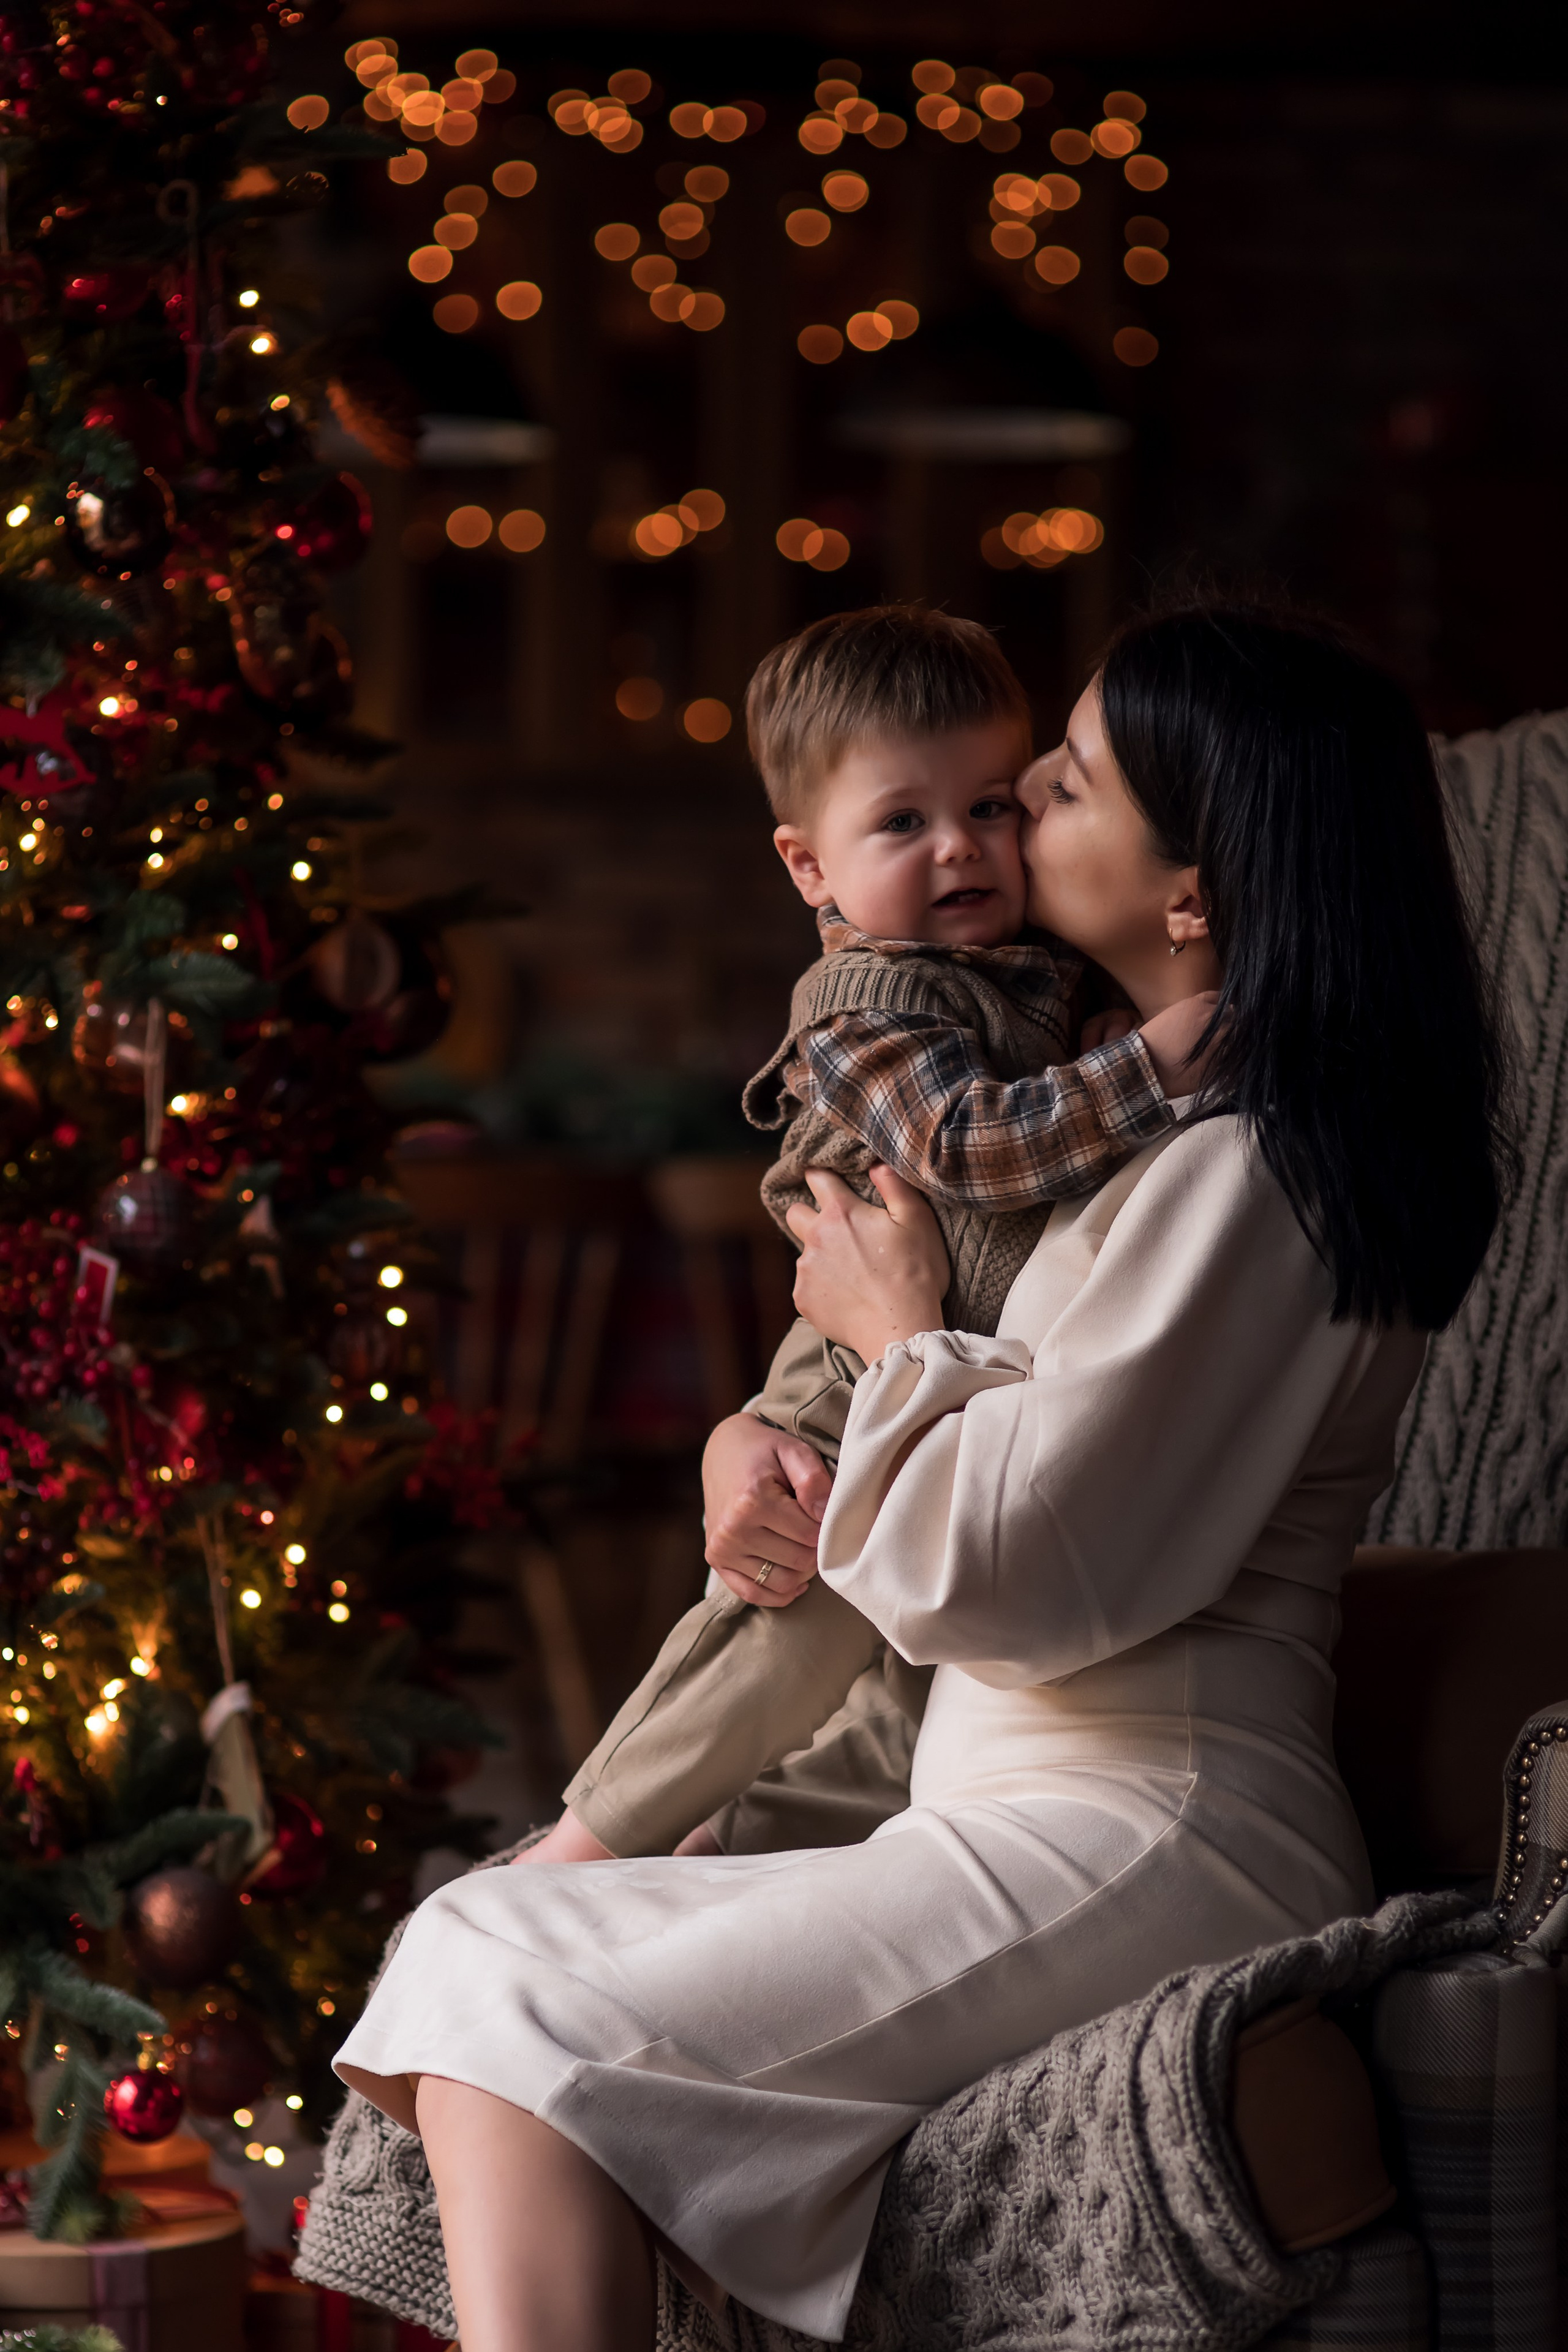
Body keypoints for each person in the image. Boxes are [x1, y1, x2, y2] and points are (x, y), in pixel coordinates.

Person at [332, 598, 1511, 2352]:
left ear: (1193, 891)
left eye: (1065, 781)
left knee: (528, 2004)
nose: (1013, 808)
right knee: (474, 1945)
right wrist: (764, 1428)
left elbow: (1017, 1577)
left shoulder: (1257, 1174)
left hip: (1148, 1828)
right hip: (1015, 1807)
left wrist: (891, 1336)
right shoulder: (1129, 1128)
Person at [535, 604, 1208, 1868]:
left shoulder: (1028, 966)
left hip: (939, 1373)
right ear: (809, 869)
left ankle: (724, 1849)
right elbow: (968, 1144)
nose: (960, 845)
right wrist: (1143, 1072)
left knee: (903, 1686)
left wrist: (1110, 1040)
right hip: (847, 1377)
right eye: (902, 822)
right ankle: (589, 1843)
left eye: (993, 805)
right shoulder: (865, 1007)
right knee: (781, 1617)